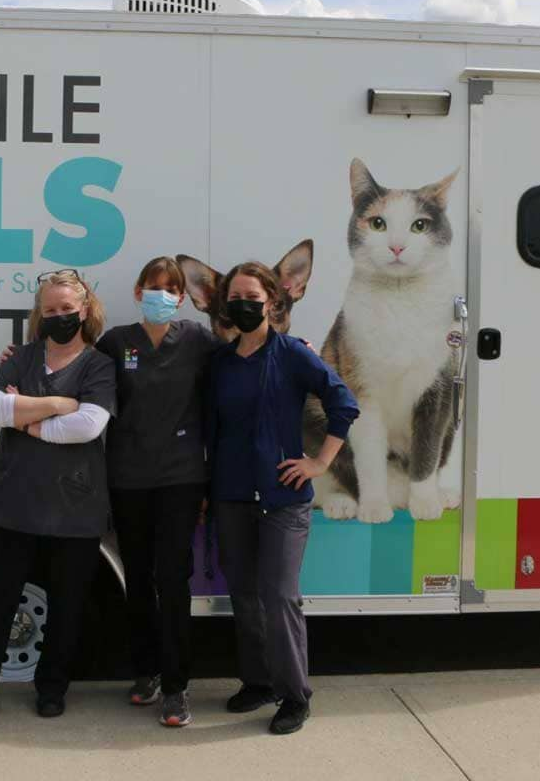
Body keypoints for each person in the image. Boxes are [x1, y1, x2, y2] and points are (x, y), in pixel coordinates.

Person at [0, 269, 117, 724]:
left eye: (67, 310)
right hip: (14, 502)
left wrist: (27, 417)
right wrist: (57, 405)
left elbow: (89, 425)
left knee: (67, 607)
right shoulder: (21, 357)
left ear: (84, 311)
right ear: (39, 314)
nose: (59, 317)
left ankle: (52, 690)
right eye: (49, 310)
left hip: (75, 507)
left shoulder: (99, 365)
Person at [206, 260, 358, 736]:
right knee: (245, 598)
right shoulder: (220, 363)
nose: (244, 306)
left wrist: (320, 463)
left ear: (272, 302)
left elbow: (344, 404)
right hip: (231, 497)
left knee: (279, 597)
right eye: (236, 299)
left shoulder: (293, 354)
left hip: (282, 501)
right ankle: (258, 683)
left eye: (253, 299)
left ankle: (295, 696)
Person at [92, 256, 217, 727]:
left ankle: (176, 687)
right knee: (138, 582)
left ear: (181, 298)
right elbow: (77, 374)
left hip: (181, 481)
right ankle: (145, 672)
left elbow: (242, 358)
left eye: (170, 288)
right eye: (153, 286)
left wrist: (293, 346)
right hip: (127, 480)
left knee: (172, 581)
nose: (161, 294)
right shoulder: (116, 342)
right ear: (139, 290)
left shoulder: (198, 341)